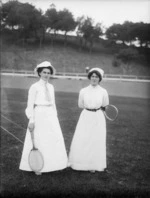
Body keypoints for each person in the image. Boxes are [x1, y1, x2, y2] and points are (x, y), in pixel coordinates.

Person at [19, 61, 68, 175]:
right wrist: (31, 120)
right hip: (39, 114)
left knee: (53, 138)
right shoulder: (34, 87)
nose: (46, 75)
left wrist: (55, 116)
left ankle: (54, 164)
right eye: (44, 72)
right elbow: (30, 105)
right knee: (39, 139)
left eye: (49, 73)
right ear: (39, 73)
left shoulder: (51, 86)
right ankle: (37, 166)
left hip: (50, 114)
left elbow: (53, 103)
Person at [68, 67, 109, 173]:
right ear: (89, 77)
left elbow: (105, 105)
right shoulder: (83, 91)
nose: (94, 78)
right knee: (83, 138)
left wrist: (97, 109)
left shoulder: (103, 91)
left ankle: (93, 165)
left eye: (96, 77)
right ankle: (80, 164)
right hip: (86, 116)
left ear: (100, 79)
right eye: (92, 76)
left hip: (98, 117)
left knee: (96, 140)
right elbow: (80, 104)